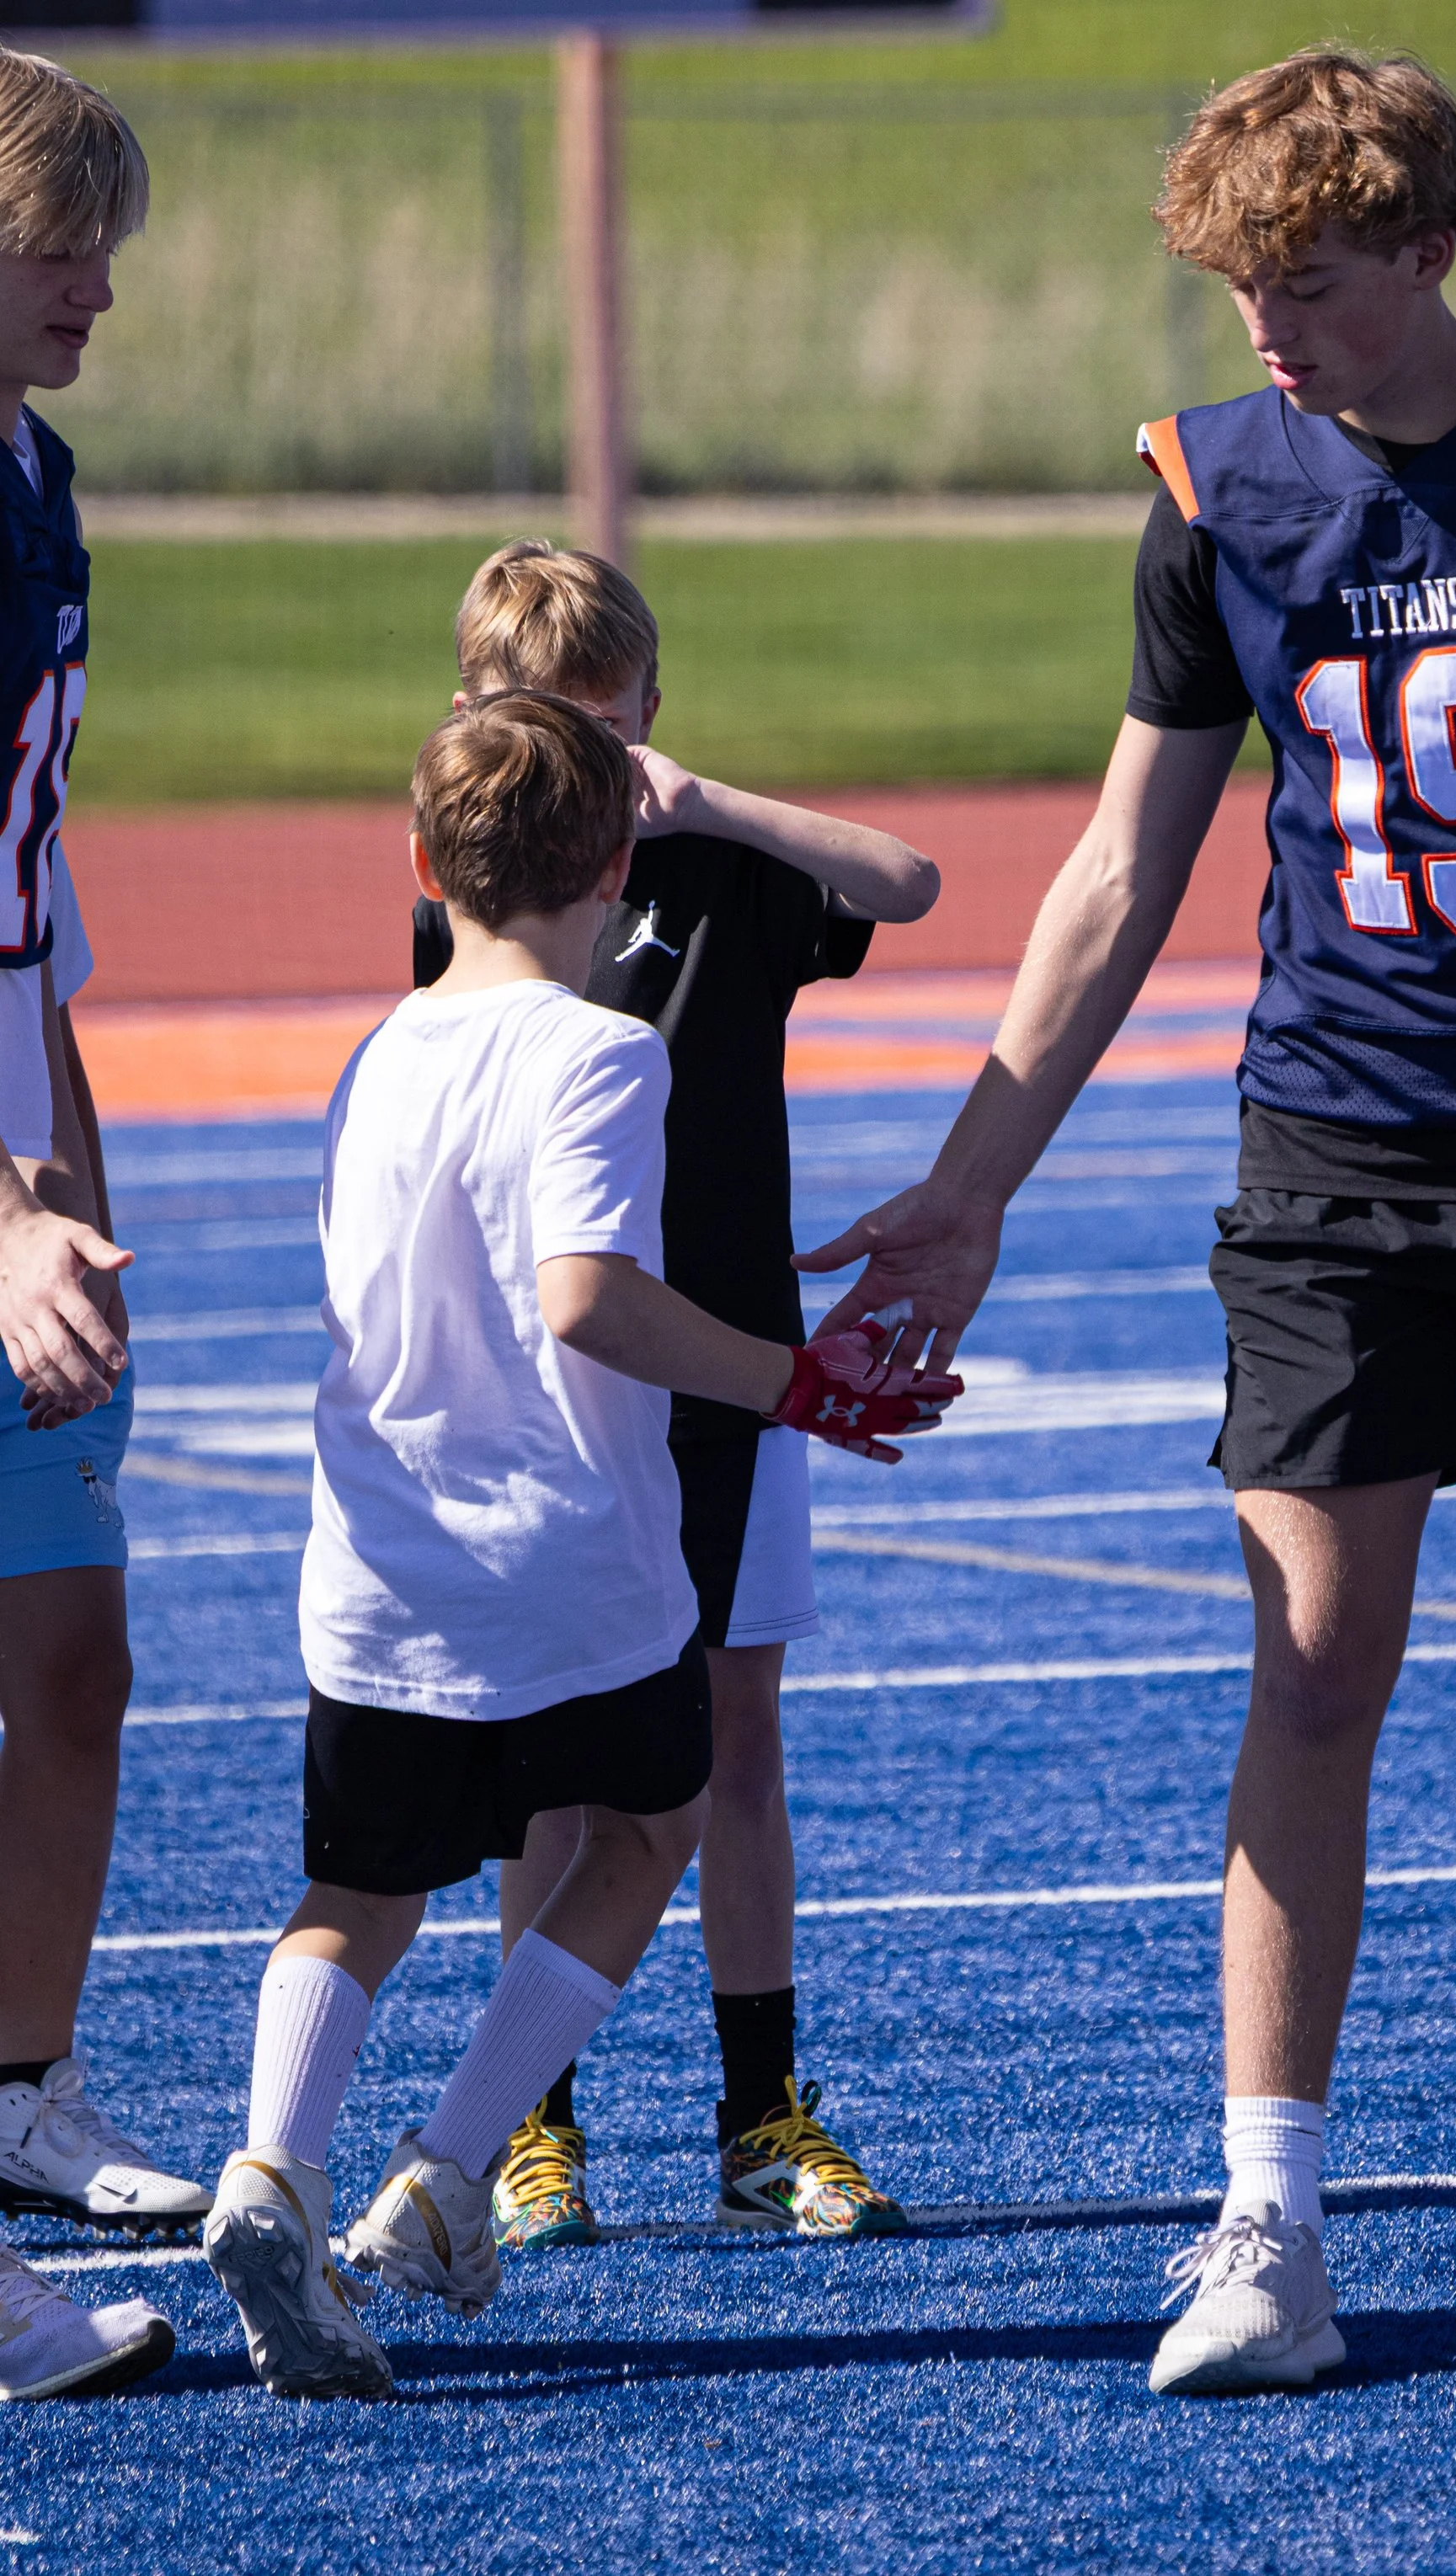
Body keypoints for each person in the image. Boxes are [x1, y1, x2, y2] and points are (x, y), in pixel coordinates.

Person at [797, 47, 1456, 2384]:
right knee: (1309, 1672)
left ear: (1432, 244)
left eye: (1318, 279)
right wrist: (973, 1180)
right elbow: (1118, 866)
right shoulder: (1214, 491)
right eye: (1243, 282)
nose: (1273, 327)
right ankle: (1265, 2220)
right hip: (1328, 1156)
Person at [205, 693, 956, 2401]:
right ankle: (451, 2162)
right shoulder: (607, 1049)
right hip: (564, 1548)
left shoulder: (374, 1048)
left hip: (374, 1560)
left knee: (361, 1889)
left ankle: (269, 2164)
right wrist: (793, 1380)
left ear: (422, 865)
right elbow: (589, 1298)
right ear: (617, 871)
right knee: (644, 1823)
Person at [411, 542, 941, 2249]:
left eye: (607, 714)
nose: (578, 749)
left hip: (734, 1368)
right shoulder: (483, 901)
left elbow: (911, 879)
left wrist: (709, 797)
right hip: (564, 1379)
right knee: (556, 1764)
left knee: (733, 1737)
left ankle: (760, 2105)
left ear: (647, 712)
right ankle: (525, 2121)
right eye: (534, 716)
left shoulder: (725, 868)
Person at [0, 45, 200, 2401]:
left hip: (21, 1148)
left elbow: (24, 899)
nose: (103, 292)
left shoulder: (39, 482)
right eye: (68, 240)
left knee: (71, 1662)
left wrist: (72, 1160)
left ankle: (20, 2095)